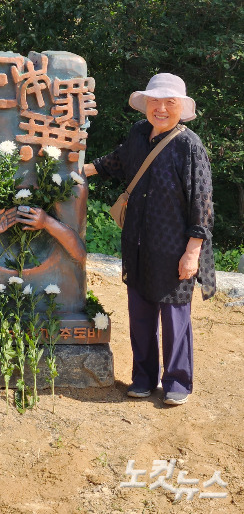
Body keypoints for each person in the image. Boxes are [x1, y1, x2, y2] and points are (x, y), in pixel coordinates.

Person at [83, 73, 215, 406]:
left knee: (174, 319)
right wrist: (81, 169)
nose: (161, 108)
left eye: (169, 102)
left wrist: (192, 252)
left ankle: (177, 382)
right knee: (140, 316)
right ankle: (143, 378)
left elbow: (202, 200)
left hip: (174, 248)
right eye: (155, 101)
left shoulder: (189, 145)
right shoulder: (139, 134)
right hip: (138, 243)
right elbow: (118, 160)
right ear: (146, 104)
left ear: (181, 108)